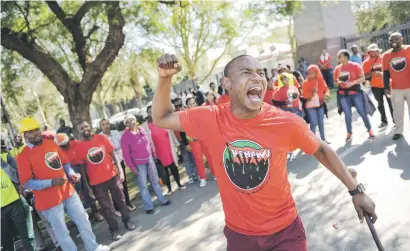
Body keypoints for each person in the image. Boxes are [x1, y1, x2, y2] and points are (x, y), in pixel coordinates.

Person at [152, 53, 377, 251]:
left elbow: (321, 149)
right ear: (227, 84)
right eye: (247, 72)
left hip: (285, 233)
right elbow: (161, 118)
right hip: (240, 237)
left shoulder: (286, 122)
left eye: (260, 73)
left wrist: (356, 191)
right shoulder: (210, 118)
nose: (257, 77)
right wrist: (165, 78)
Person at [17, 117, 110, 251]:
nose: (35, 133)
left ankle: (93, 247)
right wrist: (50, 182)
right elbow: (27, 182)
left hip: (68, 191)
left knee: (83, 220)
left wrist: (71, 173)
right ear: (24, 135)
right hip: (49, 201)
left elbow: (65, 163)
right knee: (62, 233)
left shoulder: (51, 144)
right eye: (30, 132)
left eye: (36, 129)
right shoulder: (23, 156)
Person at [75, 121, 136, 241]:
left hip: (112, 177)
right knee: (106, 208)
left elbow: (113, 154)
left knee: (121, 200)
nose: (84, 129)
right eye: (81, 128)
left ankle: (127, 221)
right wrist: (87, 186)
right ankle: (114, 229)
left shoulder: (101, 138)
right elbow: (82, 169)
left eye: (86, 126)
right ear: (79, 132)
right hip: (96, 183)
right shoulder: (79, 147)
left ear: (90, 127)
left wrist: (120, 171)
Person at [121, 114, 171, 214]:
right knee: (143, 186)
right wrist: (132, 168)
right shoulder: (125, 136)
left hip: (150, 160)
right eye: (128, 121)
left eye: (132, 120)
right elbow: (126, 155)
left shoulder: (141, 130)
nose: (131, 122)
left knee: (155, 181)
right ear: (125, 124)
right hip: (138, 164)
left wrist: (154, 155)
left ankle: (162, 200)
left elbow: (149, 143)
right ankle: (149, 206)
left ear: (135, 120)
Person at [54, 133, 104, 222]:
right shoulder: (57, 150)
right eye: (61, 146)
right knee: (76, 195)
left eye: (65, 144)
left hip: (82, 169)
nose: (64, 147)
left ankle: (95, 211)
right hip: (70, 173)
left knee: (88, 191)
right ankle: (81, 216)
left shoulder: (76, 143)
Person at [334, 50, 375, 141]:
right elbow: (335, 82)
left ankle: (369, 130)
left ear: (345, 57)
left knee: (362, 112)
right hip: (343, 95)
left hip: (355, 93)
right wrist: (339, 82)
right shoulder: (337, 69)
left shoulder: (355, 66)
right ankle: (349, 133)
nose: (338, 59)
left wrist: (352, 83)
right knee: (347, 115)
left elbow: (362, 78)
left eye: (339, 56)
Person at [143, 106, 185, 195]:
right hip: (158, 152)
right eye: (150, 112)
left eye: (153, 111)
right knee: (164, 171)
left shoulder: (162, 120)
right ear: (147, 113)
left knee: (174, 167)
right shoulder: (145, 126)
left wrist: (176, 144)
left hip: (169, 148)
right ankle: (169, 188)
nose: (152, 113)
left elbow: (171, 133)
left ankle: (179, 184)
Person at [99, 119, 136, 212]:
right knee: (114, 187)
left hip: (119, 160)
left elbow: (121, 145)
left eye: (107, 123)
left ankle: (127, 203)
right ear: (101, 127)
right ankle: (117, 208)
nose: (106, 126)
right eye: (103, 124)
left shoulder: (115, 133)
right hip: (109, 164)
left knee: (124, 184)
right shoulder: (99, 137)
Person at [1, 161, 36, 251]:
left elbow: (18, 178)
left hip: (16, 202)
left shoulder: (6, 157)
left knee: (27, 238)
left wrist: (2, 163)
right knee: (5, 245)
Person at [382, 32, 410, 140]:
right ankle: (398, 131)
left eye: (396, 39)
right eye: (391, 40)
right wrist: (385, 88)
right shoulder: (386, 55)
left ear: (402, 39)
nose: (393, 41)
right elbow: (385, 72)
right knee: (397, 112)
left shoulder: (408, 49)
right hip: (396, 88)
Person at [363, 43, 394, 128]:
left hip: (387, 85)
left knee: (391, 103)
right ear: (368, 53)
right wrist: (373, 73)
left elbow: (391, 69)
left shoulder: (384, 58)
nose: (373, 53)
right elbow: (365, 75)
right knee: (380, 104)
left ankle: (395, 120)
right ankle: (384, 121)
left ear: (377, 51)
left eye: (375, 51)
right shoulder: (366, 63)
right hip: (375, 86)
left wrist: (382, 73)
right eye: (371, 52)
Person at [302, 65, 330, 143]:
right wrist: (312, 93)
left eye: (312, 73)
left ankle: (323, 139)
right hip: (310, 107)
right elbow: (304, 96)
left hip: (320, 105)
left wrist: (327, 94)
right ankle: (312, 141)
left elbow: (326, 89)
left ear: (316, 73)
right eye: (309, 73)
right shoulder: (305, 83)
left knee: (321, 122)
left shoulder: (321, 81)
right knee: (313, 123)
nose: (310, 75)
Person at [173, 98, 198, 184]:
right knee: (186, 159)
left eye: (180, 104)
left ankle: (197, 173)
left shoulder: (186, 111)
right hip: (180, 140)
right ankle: (190, 175)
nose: (179, 107)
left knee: (194, 157)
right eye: (176, 105)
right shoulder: (173, 114)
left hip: (189, 139)